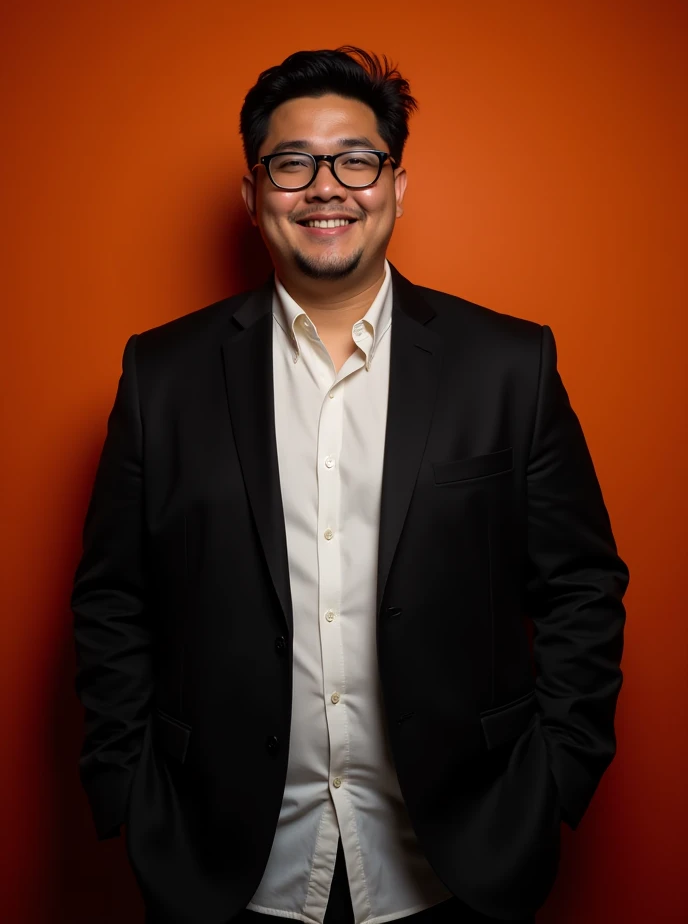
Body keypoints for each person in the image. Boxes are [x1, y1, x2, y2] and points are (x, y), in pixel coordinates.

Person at [71, 46, 629, 924]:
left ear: (397, 185)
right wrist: (127, 788)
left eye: (356, 160)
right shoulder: (162, 374)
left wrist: (555, 776)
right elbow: (112, 597)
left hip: (457, 860)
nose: (326, 186)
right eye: (293, 163)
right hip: (225, 864)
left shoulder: (508, 366)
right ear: (253, 194)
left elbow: (582, 587)